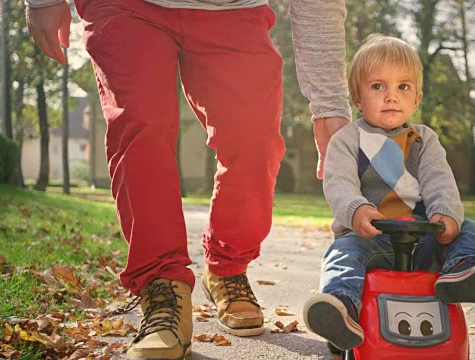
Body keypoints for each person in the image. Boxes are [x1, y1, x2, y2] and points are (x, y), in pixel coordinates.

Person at [25, 0, 351, 358]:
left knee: (254, 137)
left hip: (233, 9)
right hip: (123, 7)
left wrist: (329, 106)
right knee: (141, 130)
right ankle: (162, 286)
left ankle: (227, 266)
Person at [302, 34, 475, 353]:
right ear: (357, 98)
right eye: (378, 86)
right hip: (368, 237)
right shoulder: (348, 140)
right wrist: (356, 210)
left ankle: (462, 271)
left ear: (416, 99)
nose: (391, 96)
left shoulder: (422, 140)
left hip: (423, 237)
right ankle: (341, 310)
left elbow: (439, 180)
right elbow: (338, 182)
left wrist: (445, 215)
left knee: (469, 228)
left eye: (403, 87)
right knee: (342, 255)